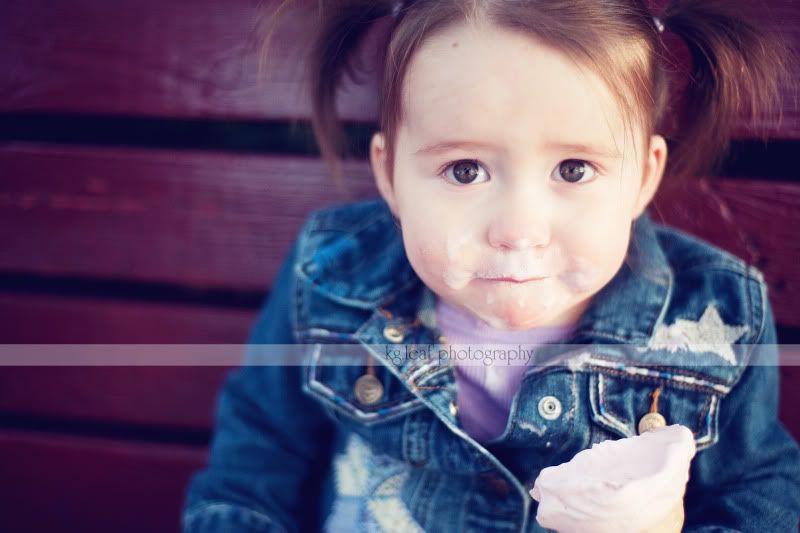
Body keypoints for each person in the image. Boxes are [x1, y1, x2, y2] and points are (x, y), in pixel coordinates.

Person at [181, 0, 800, 531]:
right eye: (464, 170)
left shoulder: (715, 321)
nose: (517, 230)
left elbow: (762, 492)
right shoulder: (330, 274)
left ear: (642, 177)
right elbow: (257, 457)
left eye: (574, 169)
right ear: (390, 174)